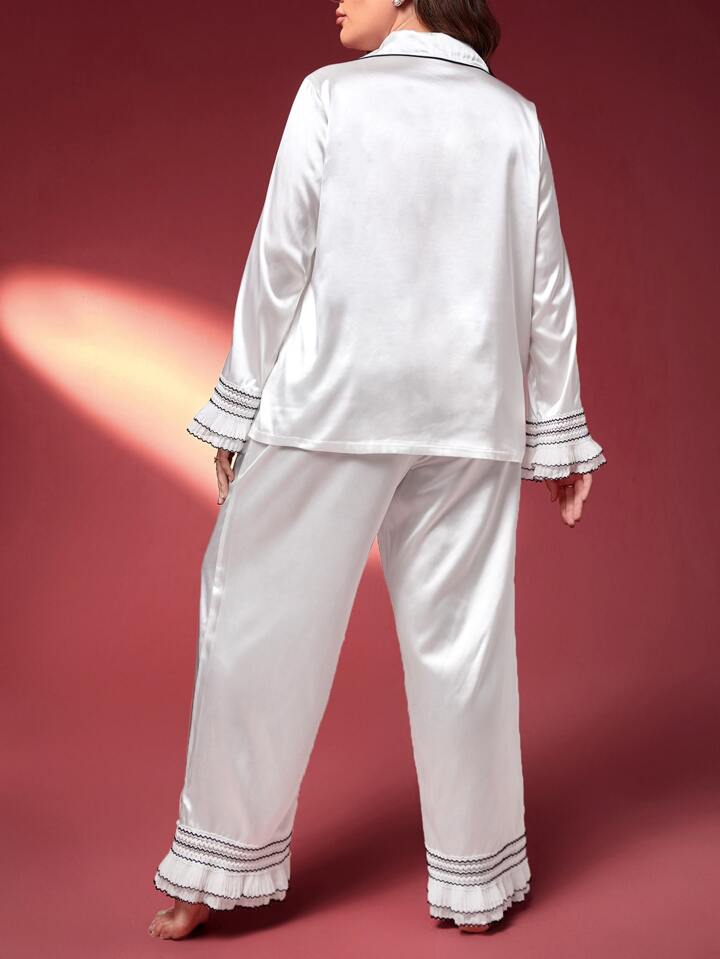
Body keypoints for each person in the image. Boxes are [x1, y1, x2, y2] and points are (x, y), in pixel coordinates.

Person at [148, 0, 607, 940]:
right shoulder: (514, 117)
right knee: (464, 647)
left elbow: (280, 261)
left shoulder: (331, 95)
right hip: (471, 416)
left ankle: (213, 871)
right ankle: (477, 885)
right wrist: (557, 433)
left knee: (257, 625)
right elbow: (547, 285)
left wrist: (237, 407)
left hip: (333, 405)